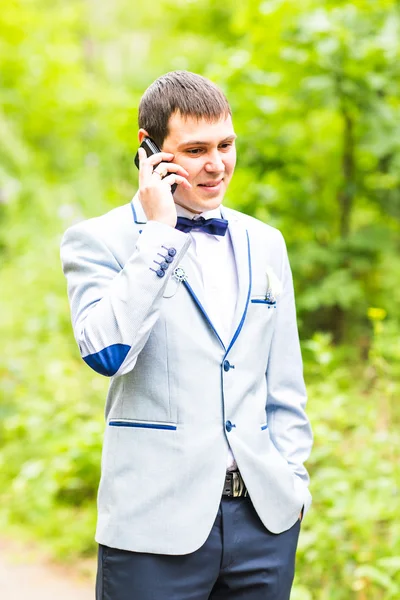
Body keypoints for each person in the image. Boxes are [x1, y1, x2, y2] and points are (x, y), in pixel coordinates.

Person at [61, 70, 313, 600]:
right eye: (196, 149)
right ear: (149, 149)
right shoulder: (97, 241)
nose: (217, 164)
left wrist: (293, 489)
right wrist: (158, 235)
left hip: (264, 525)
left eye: (226, 145)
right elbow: (107, 352)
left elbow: (284, 385)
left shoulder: (266, 244)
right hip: (154, 529)